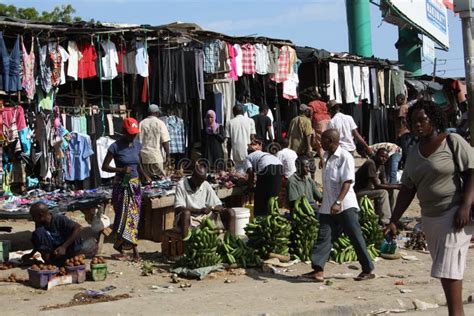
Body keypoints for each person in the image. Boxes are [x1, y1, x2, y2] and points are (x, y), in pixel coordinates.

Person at [386, 101, 474, 316]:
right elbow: (407, 189)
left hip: (454, 215)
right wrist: (394, 219)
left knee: (451, 273)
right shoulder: (415, 152)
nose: (417, 125)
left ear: (433, 119)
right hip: (430, 219)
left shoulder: (453, 142)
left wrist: (465, 206)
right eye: (413, 121)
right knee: (446, 274)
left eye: (422, 120)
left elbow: (472, 173)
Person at [301, 129, 374, 282]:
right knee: (324, 236)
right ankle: (318, 270)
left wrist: (338, 202)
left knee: (354, 235)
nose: (321, 143)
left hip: (344, 205)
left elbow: (347, 181)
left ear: (331, 141)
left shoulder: (345, 157)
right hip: (328, 205)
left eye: (323, 141)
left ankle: (367, 269)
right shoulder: (327, 156)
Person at [102, 117, 148, 261]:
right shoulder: (115, 147)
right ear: (123, 131)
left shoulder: (137, 145)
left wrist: (145, 175)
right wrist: (121, 169)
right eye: (130, 133)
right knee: (128, 217)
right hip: (122, 187)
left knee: (133, 218)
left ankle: (120, 245)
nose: (133, 136)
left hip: (135, 186)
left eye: (135, 134)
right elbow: (104, 167)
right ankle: (135, 251)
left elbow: (138, 164)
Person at [174, 163, 236, 237]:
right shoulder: (181, 185)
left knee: (230, 212)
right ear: (193, 177)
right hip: (189, 218)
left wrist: (212, 208)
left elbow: (219, 205)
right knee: (186, 213)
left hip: (204, 217)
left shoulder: (205, 184)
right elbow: (178, 208)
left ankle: (231, 241)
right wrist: (198, 210)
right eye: (198, 181)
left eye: (202, 181)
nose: (200, 184)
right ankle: (185, 244)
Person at [354, 148, 402, 224]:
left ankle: (394, 219)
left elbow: (385, 182)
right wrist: (396, 186)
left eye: (386, 158)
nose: (384, 159)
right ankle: (385, 221)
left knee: (392, 191)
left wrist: (396, 186)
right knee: (383, 192)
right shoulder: (371, 163)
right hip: (359, 192)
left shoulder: (381, 165)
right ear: (376, 155)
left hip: (369, 190)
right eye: (382, 156)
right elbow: (377, 185)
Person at [246, 140, 283, 216]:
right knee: (273, 196)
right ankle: (272, 215)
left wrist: (250, 187)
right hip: (279, 167)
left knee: (260, 195)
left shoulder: (248, 157)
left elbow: (250, 172)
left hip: (267, 167)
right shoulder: (264, 153)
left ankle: (260, 216)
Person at [139, 104, 170, 179]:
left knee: (147, 181)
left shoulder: (141, 123)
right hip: (156, 157)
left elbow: (137, 142)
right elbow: (165, 141)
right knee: (161, 180)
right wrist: (168, 155)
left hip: (144, 157)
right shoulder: (160, 123)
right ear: (156, 113)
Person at [226, 104, 256, 172]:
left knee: (239, 175)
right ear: (243, 112)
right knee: (250, 174)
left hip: (236, 154)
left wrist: (228, 157)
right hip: (249, 153)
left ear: (233, 113)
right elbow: (252, 138)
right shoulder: (251, 121)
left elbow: (229, 142)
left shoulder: (229, 123)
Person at [308, 91, 331, 160]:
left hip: (319, 121)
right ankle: (329, 155)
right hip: (328, 120)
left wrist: (310, 123)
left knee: (320, 141)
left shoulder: (311, 104)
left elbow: (311, 114)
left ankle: (323, 159)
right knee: (328, 138)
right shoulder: (324, 103)